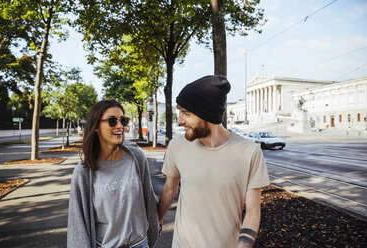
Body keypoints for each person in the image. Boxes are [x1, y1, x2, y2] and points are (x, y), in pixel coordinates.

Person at [158, 75, 270, 248]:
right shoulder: (177, 146)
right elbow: (169, 190)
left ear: (207, 114)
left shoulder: (249, 152)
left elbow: (253, 212)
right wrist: (156, 219)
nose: (180, 120)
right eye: (179, 112)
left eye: (186, 113)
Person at [67, 99, 159, 248]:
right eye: (112, 121)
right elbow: (77, 223)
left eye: (123, 120)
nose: (120, 126)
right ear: (96, 126)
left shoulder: (136, 158)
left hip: (140, 244)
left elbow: (149, 199)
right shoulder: (84, 171)